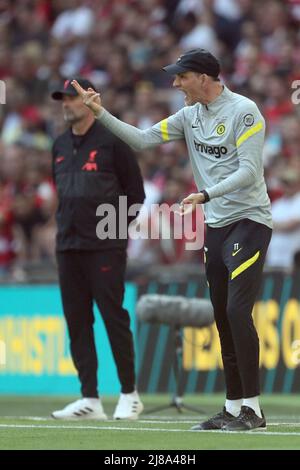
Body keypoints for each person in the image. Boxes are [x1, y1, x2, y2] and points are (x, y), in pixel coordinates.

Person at [72, 48, 273, 431]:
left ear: (204, 77)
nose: (176, 83)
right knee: (222, 317)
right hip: (216, 225)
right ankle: (233, 409)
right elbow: (143, 140)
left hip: (249, 221)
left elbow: (250, 172)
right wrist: (101, 113)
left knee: (235, 312)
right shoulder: (190, 116)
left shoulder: (244, 111)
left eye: (182, 76)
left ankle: (254, 410)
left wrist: (207, 194)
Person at [51, 78, 145, 420]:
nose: (65, 103)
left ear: (91, 100)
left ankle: (129, 394)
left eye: (73, 98)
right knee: (77, 321)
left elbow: (136, 195)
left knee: (112, 317)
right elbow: (63, 194)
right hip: (68, 246)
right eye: (63, 98)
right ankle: (89, 397)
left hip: (105, 247)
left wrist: (114, 235)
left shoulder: (113, 142)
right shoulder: (59, 145)